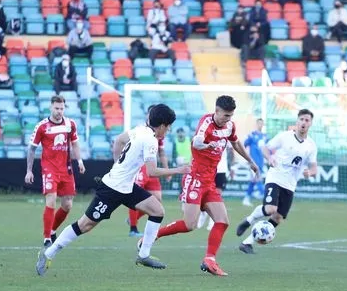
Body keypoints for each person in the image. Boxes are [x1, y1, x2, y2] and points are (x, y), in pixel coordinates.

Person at [36, 104, 189, 275]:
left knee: (157, 210)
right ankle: (49, 253)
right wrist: (178, 170)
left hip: (127, 187)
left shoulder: (140, 129)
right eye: (168, 128)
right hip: (112, 188)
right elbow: (152, 172)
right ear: (162, 125)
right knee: (85, 225)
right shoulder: (150, 140)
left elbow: (118, 140)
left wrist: (117, 165)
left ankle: (143, 255)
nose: (167, 131)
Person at [149, 96, 260, 277]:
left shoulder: (230, 126)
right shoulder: (206, 122)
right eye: (225, 115)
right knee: (189, 224)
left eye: (230, 116)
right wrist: (211, 143)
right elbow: (197, 142)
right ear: (216, 111)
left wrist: (250, 161)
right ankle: (155, 235)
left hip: (210, 181)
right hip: (195, 179)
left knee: (223, 221)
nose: (227, 119)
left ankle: (210, 260)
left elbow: (235, 142)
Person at [236, 109, 317, 254]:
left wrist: (309, 173)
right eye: (302, 119)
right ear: (297, 121)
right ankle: (248, 221)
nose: (304, 123)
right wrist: (270, 158)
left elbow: (314, 168)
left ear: (311, 123)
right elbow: (266, 149)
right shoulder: (284, 136)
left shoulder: (311, 145)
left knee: (278, 217)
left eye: (307, 120)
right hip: (275, 177)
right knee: (270, 209)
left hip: (290, 184)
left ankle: (247, 243)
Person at [25, 96, 86, 247]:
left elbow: (75, 144)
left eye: (61, 108)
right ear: (51, 107)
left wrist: (79, 161)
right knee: (51, 199)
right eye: (56, 108)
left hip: (66, 169)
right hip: (49, 168)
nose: (59, 111)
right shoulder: (42, 126)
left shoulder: (70, 124)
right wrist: (29, 171)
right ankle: (46, 238)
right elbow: (32, 149)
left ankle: (52, 230)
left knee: (67, 205)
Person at [129, 106, 170, 237]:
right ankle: (133, 228)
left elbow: (162, 152)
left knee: (157, 199)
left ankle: (133, 219)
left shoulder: (160, 132)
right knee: (134, 197)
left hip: (152, 166)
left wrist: (167, 169)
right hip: (141, 167)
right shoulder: (140, 130)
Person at [242, 119, 267, 207]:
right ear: (256, 124)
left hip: (261, 162)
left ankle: (246, 198)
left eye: (261, 123)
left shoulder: (265, 136)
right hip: (253, 162)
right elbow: (244, 144)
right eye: (259, 123)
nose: (260, 125)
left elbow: (268, 148)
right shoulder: (252, 135)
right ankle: (264, 197)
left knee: (253, 181)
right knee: (258, 179)